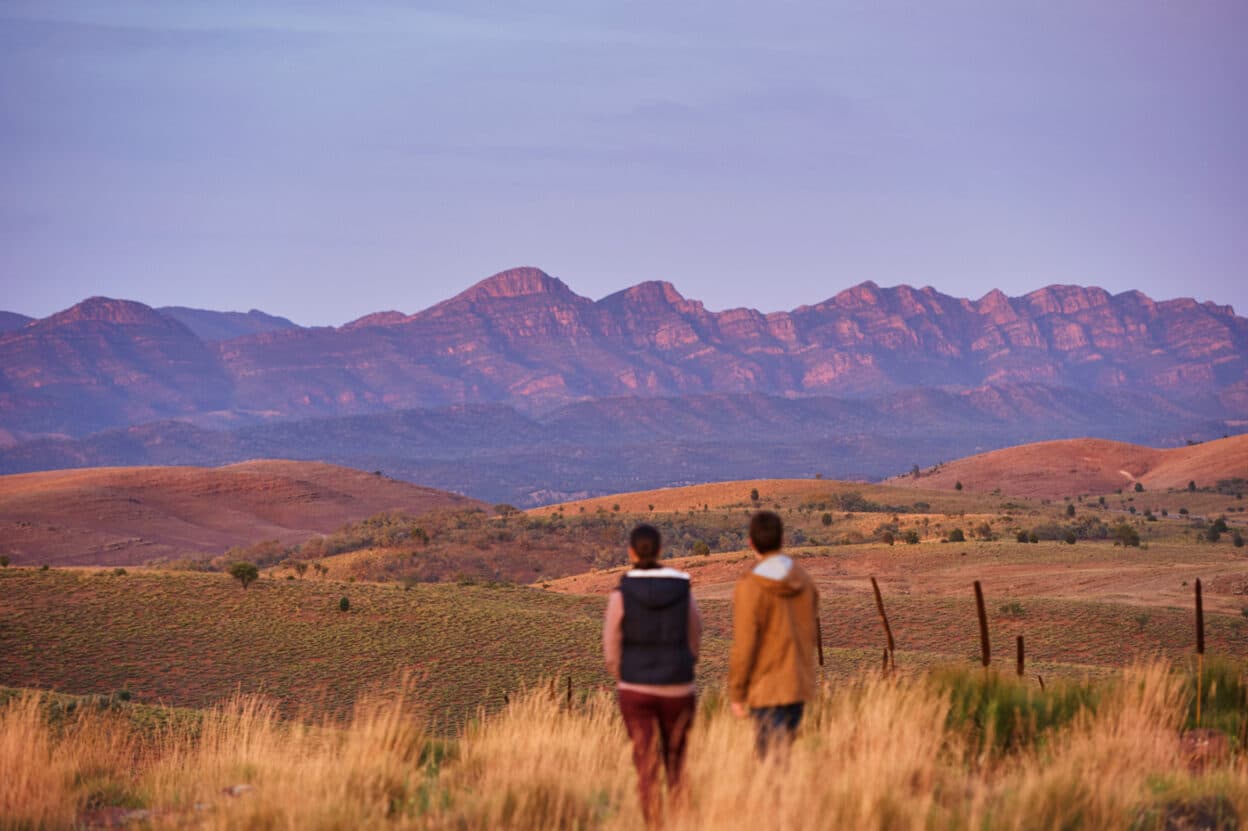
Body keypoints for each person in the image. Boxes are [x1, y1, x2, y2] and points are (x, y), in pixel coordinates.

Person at [603, 524, 702, 826]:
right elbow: (695, 634)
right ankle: (682, 818)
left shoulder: (621, 594)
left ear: (631, 552)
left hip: (635, 689)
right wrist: (685, 665)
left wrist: (623, 674)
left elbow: (611, 644)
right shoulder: (682, 589)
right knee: (676, 760)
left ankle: (653, 822)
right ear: (660, 550)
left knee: (645, 762)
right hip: (678, 687)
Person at [728, 510, 822, 758]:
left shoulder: (750, 586)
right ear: (782, 539)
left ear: (751, 542)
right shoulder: (803, 579)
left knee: (770, 763)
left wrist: (737, 692)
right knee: (784, 754)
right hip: (798, 684)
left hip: (767, 687)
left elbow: (744, 644)